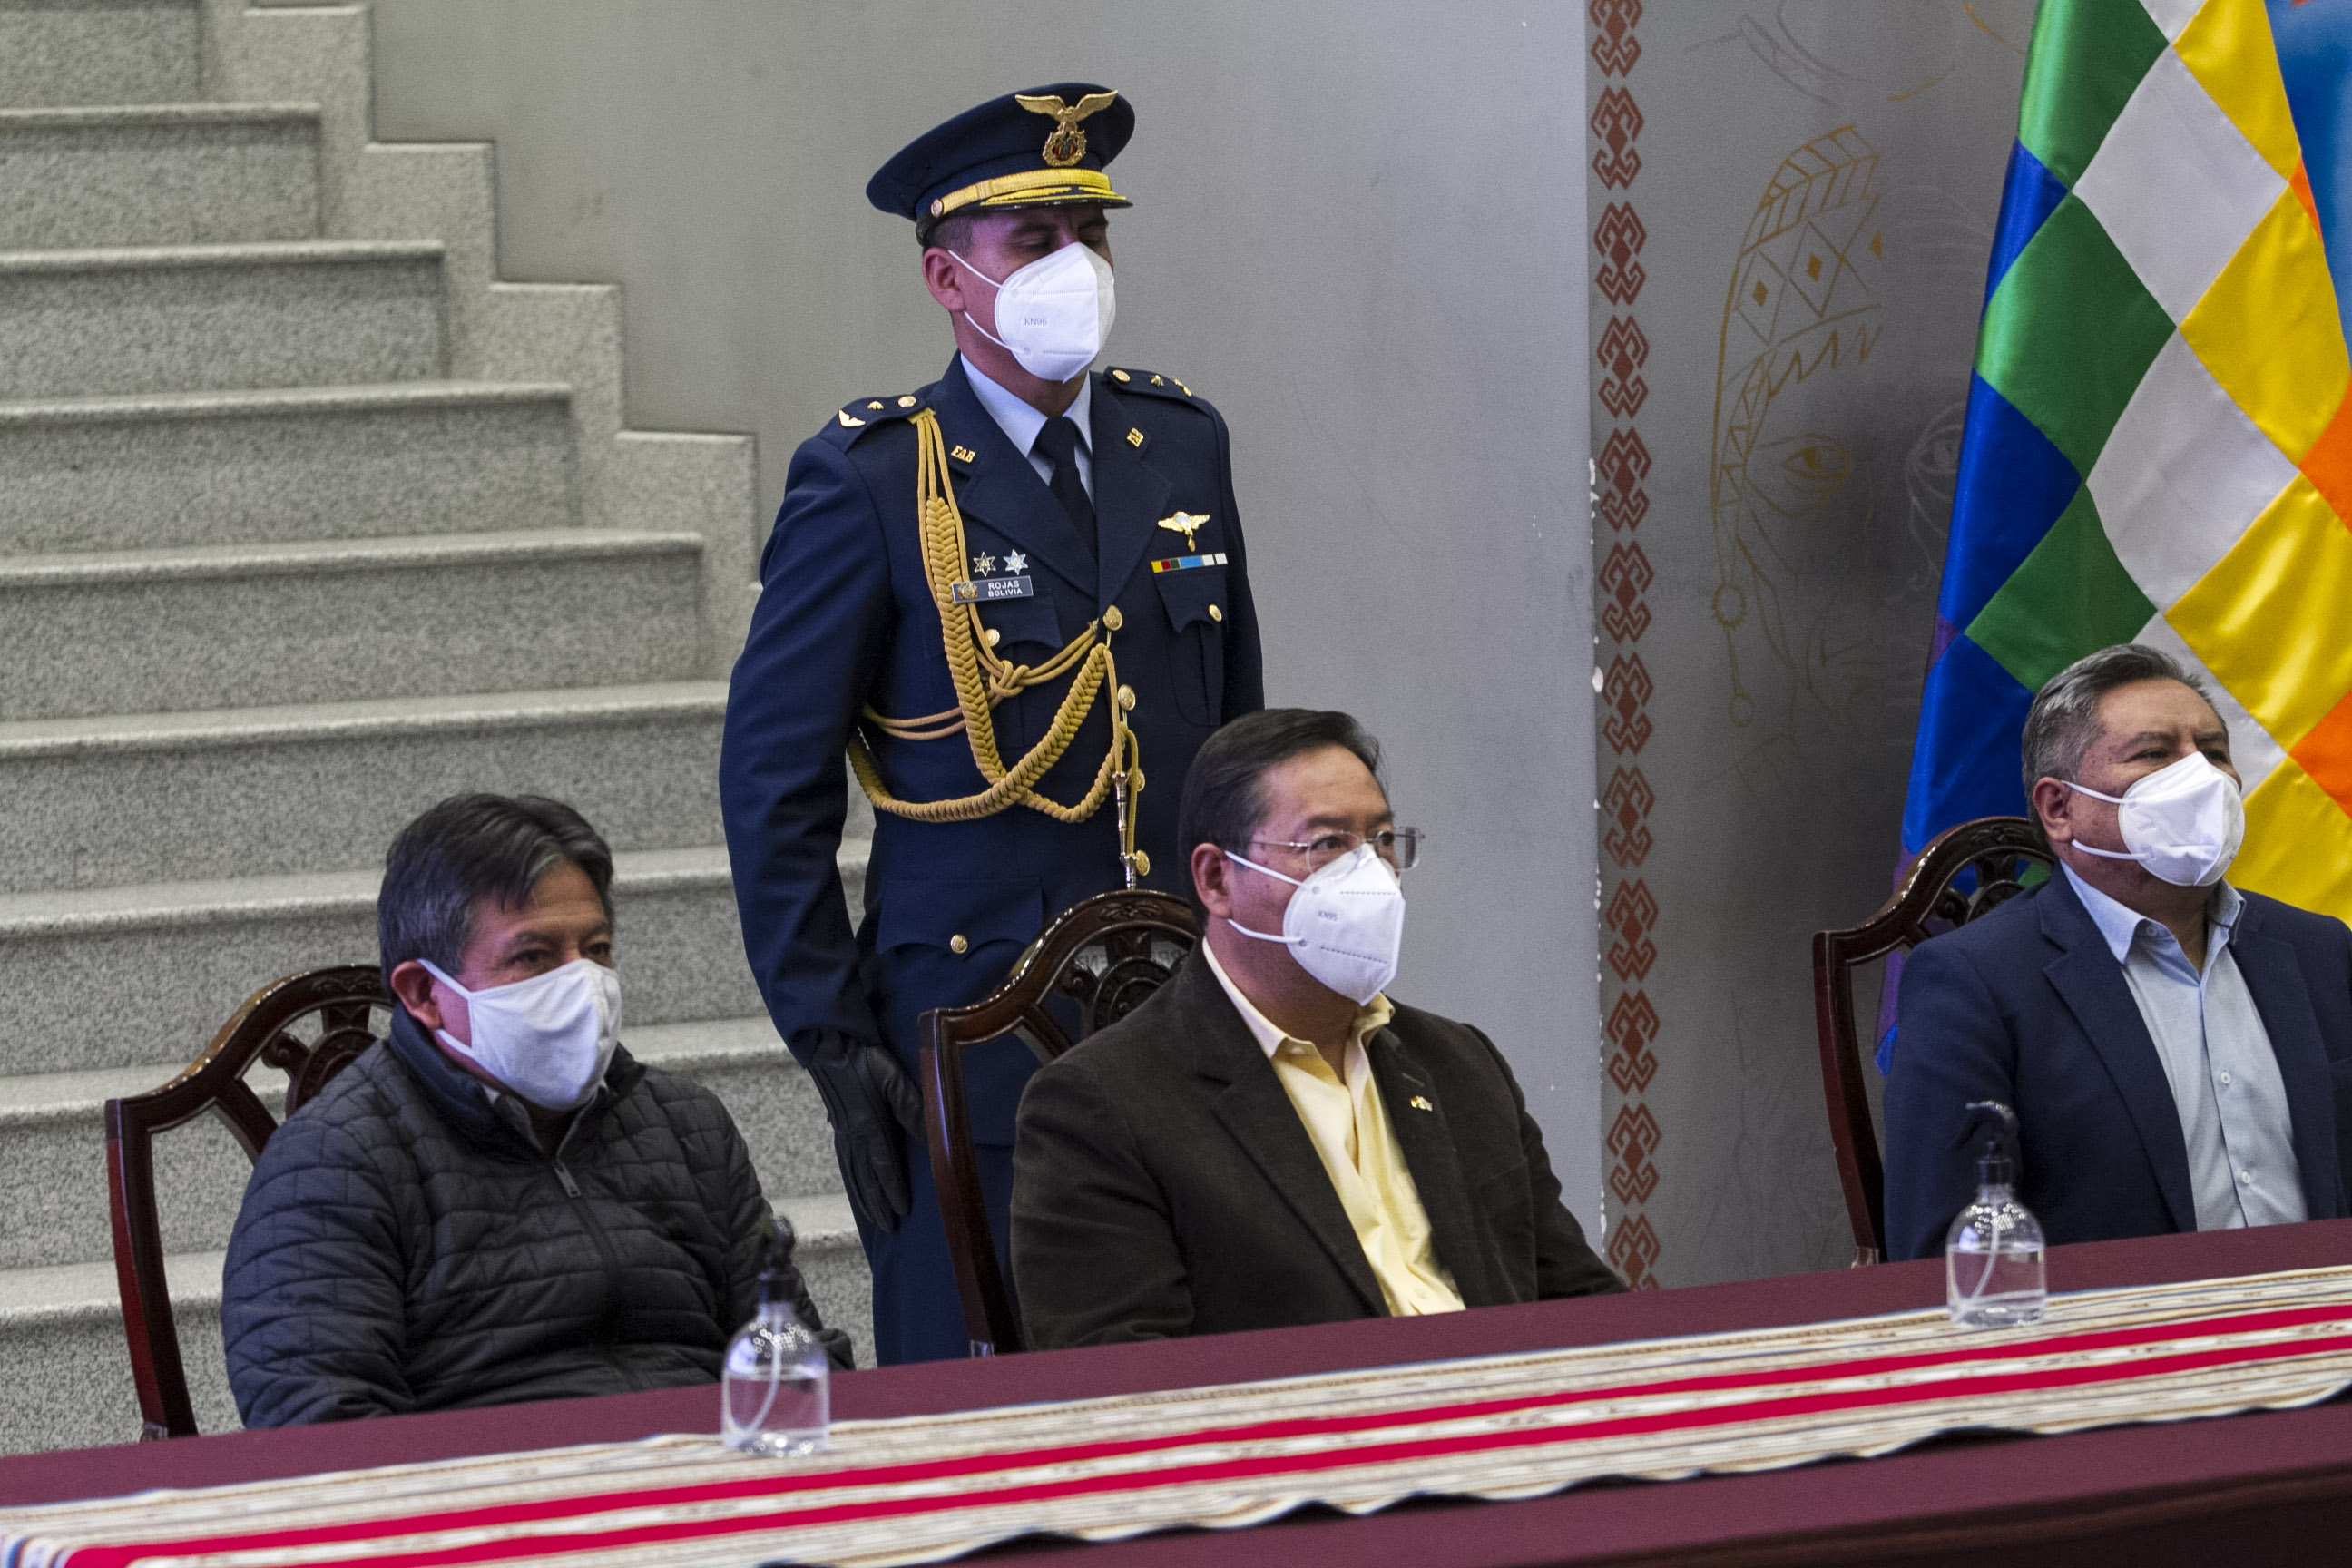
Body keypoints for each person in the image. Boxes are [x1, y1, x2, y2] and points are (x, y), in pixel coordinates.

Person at [720, 83, 1263, 1364]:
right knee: (990, 1391)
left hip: (1179, 1003)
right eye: (1035, 240)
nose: (1078, 266)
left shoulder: (1180, 441)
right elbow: (772, 783)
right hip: (980, 1029)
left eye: (1092, 233)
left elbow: (1236, 732)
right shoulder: (872, 477)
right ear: (947, 279)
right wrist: (833, 1039)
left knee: (1206, 1372)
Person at [223, 794, 848, 1426]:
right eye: (533, 956)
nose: (583, 985)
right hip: (498, 1478)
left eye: (596, 949)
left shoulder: (687, 1124)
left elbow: (792, 1352)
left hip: (711, 1466)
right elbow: (322, 1428)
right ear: (425, 993)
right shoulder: (332, 1161)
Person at [1009, 710, 1623, 1348]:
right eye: (1328, 844)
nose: (1372, 874)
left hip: (1508, 1403)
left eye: (1382, 840)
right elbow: (1124, 1381)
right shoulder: (1101, 1108)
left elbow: (1583, 1304)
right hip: (1310, 1412)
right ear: (1217, 879)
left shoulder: (1460, 1062)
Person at [1884, 644, 2352, 1260]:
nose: (2202, 777)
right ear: (2060, 809)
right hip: (2124, 1318)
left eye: (2214, 753)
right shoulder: (1973, 983)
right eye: (2155, 754)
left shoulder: (2321, 950)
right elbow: (1947, 1252)